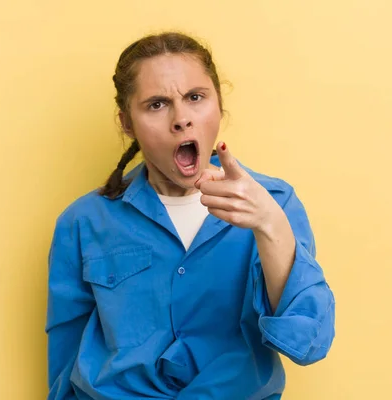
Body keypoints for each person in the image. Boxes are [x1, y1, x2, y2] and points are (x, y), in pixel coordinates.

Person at [46, 31, 335, 400]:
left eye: (195, 98)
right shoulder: (83, 222)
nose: (181, 119)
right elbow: (63, 364)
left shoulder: (274, 202)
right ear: (127, 122)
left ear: (218, 104)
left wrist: (270, 225)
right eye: (156, 104)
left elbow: (310, 343)